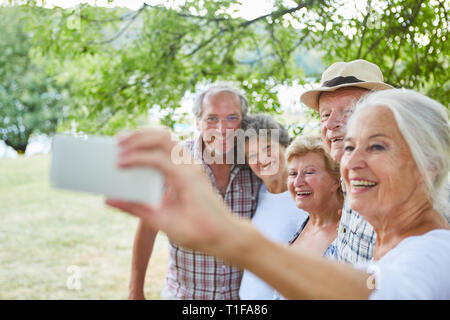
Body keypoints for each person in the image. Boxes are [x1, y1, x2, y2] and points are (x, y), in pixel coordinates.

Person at [107, 88, 450, 299]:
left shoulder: (436, 251)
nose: (352, 161)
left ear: (430, 163)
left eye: (377, 146)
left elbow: (379, 292)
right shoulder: (377, 235)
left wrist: (229, 237)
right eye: (348, 146)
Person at [127, 84, 261, 300]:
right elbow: (147, 228)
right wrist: (135, 292)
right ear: (198, 122)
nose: (222, 129)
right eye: (212, 119)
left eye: (231, 118)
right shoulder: (174, 162)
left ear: (243, 122)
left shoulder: (257, 164)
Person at [300, 59, 393, 264]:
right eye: (325, 114)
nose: (331, 124)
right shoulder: (348, 178)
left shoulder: (404, 188)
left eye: (348, 111)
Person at [238, 114, 308, 300]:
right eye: (252, 155)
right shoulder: (258, 192)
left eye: (267, 148)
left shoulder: (306, 197)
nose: (261, 158)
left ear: (285, 145)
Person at [273, 135, 343, 300]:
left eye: (309, 172)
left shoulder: (348, 236)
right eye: (292, 173)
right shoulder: (303, 225)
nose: (297, 182)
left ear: (336, 181)